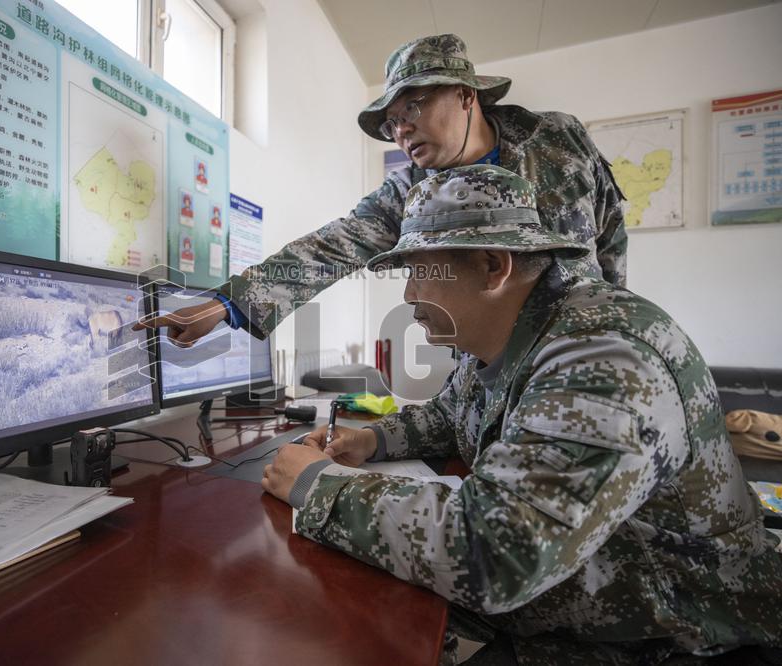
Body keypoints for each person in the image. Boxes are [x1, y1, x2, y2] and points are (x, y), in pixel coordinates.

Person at [262, 165, 782, 664]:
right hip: (592, 595)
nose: (410, 297)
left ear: (493, 265)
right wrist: (372, 442)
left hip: (675, 633)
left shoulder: (604, 357)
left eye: (422, 272)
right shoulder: (507, 333)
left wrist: (318, 485)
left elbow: (496, 555)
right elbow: (451, 414)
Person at [136, 34, 626, 346]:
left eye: (412, 107)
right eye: (391, 123)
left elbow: (609, 232)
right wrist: (228, 304)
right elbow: (332, 245)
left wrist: (617, 319)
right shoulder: (412, 191)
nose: (401, 131)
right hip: (489, 363)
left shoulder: (556, 139)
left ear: (465, 95)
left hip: (584, 344)